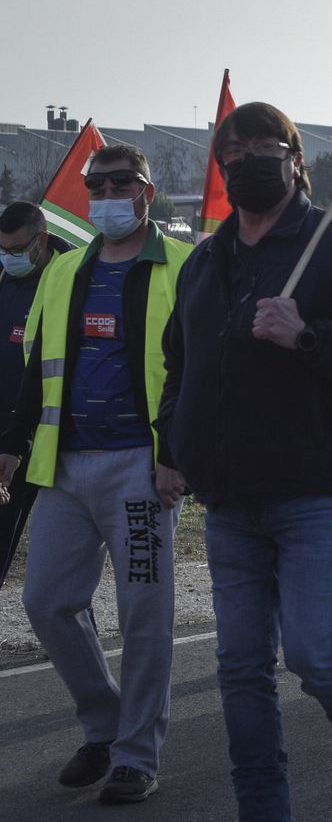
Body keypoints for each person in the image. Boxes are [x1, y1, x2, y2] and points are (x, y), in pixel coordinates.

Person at [158, 103, 332, 821]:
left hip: (316, 488)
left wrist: (309, 336)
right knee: (241, 668)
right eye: (232, 151)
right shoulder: (205, 262)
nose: (245, 161)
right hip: (228, 497)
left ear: (295, 159)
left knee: (312, 651)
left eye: (262, 147)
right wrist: (171, 445)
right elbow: (180, 365)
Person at [0, 146, 189, 805]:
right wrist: (13, 442)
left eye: (120, 183)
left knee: (143, 617)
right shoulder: (65, 269)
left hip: (142, 466)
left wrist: (178, 454)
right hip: (64, 463)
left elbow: (199, 371)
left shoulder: (184, 266)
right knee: (46, 602)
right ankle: (106, 724)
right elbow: (39, 365)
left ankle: (137, 755)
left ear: (146, 191)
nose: (107, 195)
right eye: (97, 185)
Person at [0, 201, 73, 586]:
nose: (8, 257)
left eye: (16, 250)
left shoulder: (71, 276)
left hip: (47, 436)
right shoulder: (4, 276)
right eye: (2, 249)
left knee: (62, 557)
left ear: (41, 240)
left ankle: (72, 621)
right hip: (7, 433)